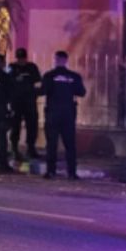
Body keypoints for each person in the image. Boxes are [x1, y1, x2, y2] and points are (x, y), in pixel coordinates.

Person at [42, 51, 86, 180]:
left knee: (51, 144)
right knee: (70, 144)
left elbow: (43, 91)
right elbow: (81, 92)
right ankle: (71, 173)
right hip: (68, 114)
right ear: (66, 60)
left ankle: (51, 171)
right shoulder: (74, 76)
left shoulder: (49, 75)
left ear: (55, 60)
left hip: (53, 113)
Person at [8, 48, 42, 161]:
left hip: (29, 101)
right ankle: (14, 149)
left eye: (22, 58)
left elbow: (38, 82)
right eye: (19, 58)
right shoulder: (12, 67)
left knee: (32, 125)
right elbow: (7, 82)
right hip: (16, 102)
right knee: (15, 126)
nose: (21, 61)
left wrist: (35, 94)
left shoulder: (32, 67)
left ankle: (31, 148)